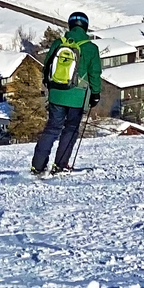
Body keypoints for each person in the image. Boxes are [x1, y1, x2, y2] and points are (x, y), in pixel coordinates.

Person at [31, 11, 103, 176]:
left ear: (70, 25)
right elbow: (95, 74)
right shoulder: (91, 48)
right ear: (85, 26)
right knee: (70, 129)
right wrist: (95, 94)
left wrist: (49, 85)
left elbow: (47, 65)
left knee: (51, 128)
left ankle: (37, 166)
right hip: (77, 97)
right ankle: (60, 165)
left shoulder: (59, 43)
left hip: (57, 93)